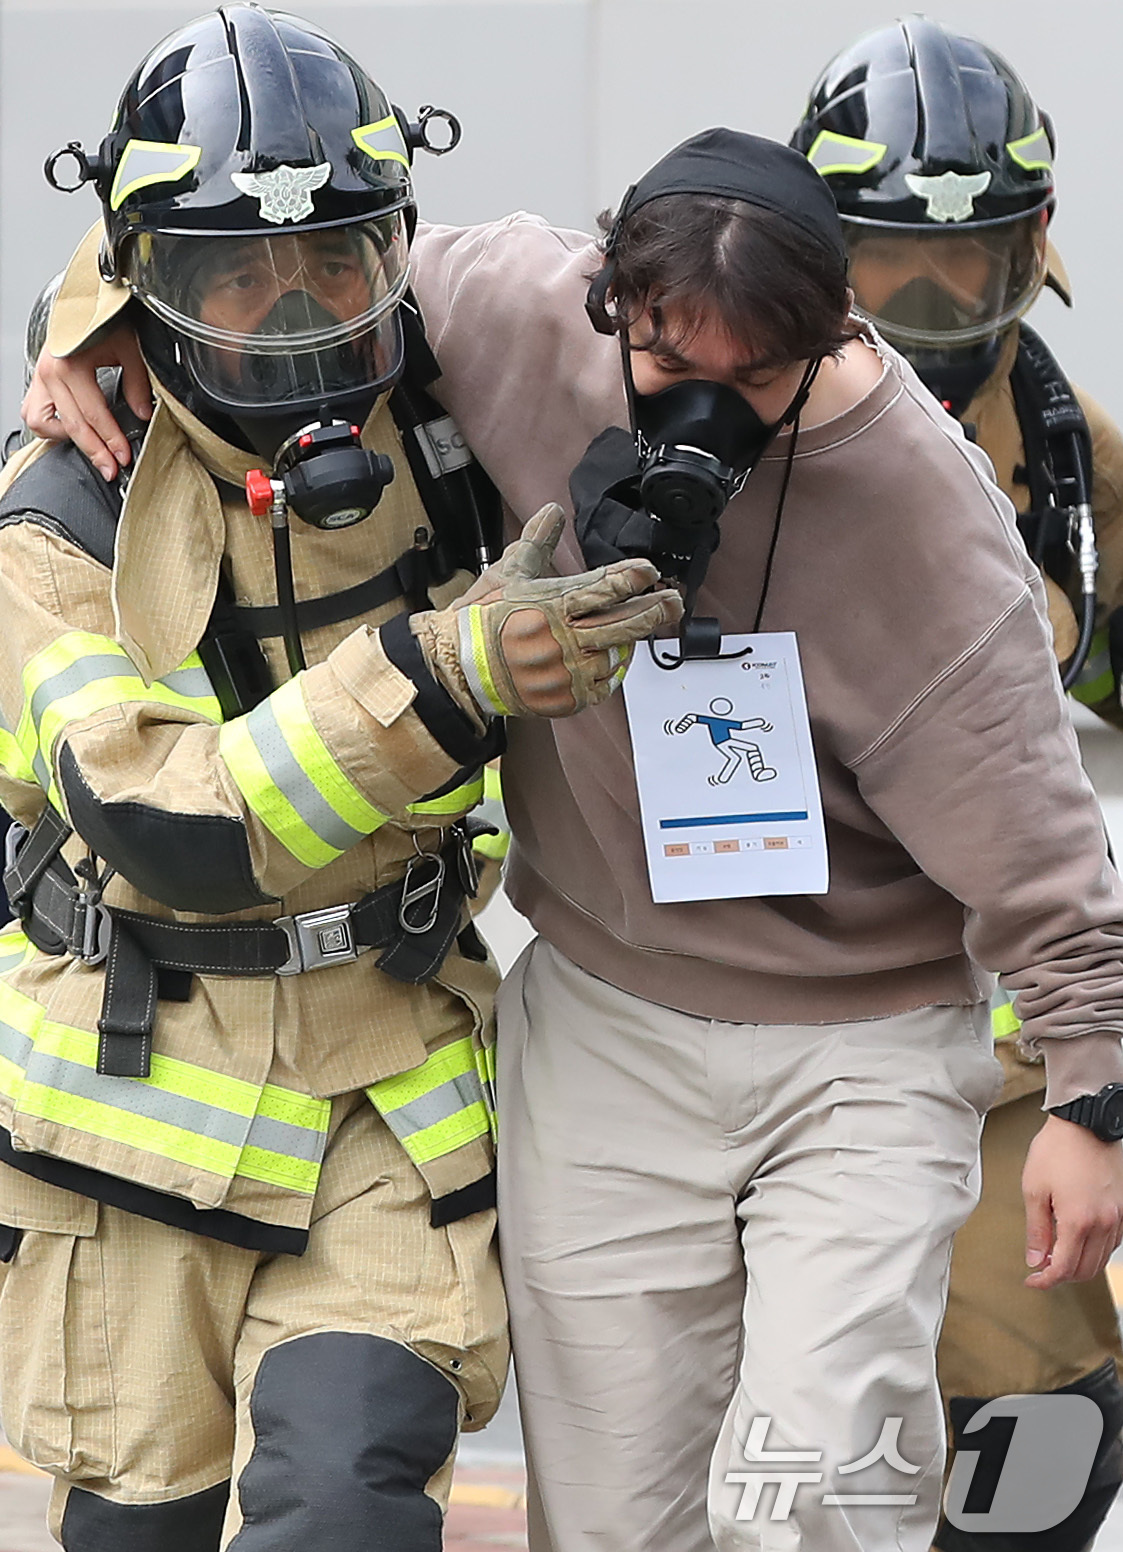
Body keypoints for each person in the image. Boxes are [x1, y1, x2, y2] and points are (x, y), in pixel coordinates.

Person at [27, 115, 1123, 1552]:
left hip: (865, 1041)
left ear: (836, 336)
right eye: (669, 368)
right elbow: (277, 228)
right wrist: (97, 329)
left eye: (763, 382)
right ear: (608, 299)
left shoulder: (933, 524)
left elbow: (1047, 845)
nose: (710, 414)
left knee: (814, 1482)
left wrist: (1095, 1102)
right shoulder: (509, 310)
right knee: (611, 1515)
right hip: (608, 1016)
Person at [0, 6, 678, 1549]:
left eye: (338, 263)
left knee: (353, 1503)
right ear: (143, 284)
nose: (296, 314)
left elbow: (699, 306)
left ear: (398, 249)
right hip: (132, 1106)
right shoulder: (57, 521)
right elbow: (165, 826)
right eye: (232, 274)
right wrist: (450, 675)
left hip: (388, 1091)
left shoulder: (456, 422)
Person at [790, 21, 1123, 1549]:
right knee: (773, 1481)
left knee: (1035, 1454)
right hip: (767, 1056)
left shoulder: (1081, 481)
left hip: (1003, 1077)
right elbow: (343, 241)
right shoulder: (677, 396)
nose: (928, 314)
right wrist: (104, 318)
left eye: (967, 267)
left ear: (1034, 248)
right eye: (886, 267)